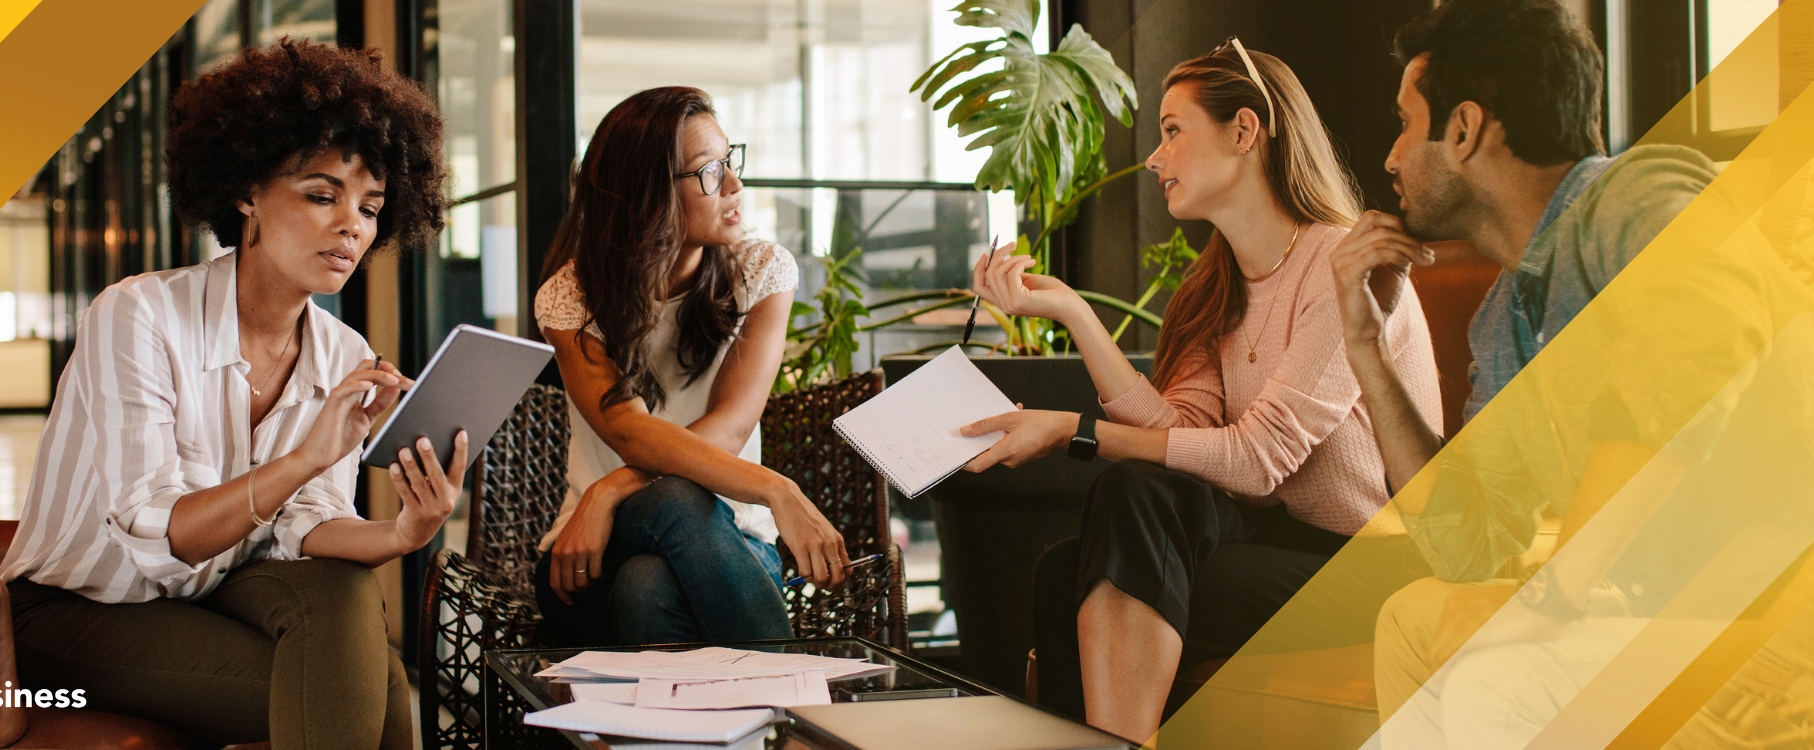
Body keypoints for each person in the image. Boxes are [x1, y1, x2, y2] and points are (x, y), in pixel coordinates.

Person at [960, 41, 1440, 742]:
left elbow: (1256, 460)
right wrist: (1072, 312)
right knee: (1093, 540)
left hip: (1373, 564)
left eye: (1172, 130)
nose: (1155, 157)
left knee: (1092, 563)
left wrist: (1075, 431)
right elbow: (1178, 435)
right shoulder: (1214, 287)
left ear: (1244, 131)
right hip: (1277, 540)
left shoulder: (1340, 266)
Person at [0, 40, 456, 750]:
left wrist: (404, 533)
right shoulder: (138, 315)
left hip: (217, 589)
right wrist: (305, 456)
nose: (350, 227)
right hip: (78, 609)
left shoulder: (346, 355)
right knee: (375, 689)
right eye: (320, 194)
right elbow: (161, 532)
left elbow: (309, 528)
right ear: (247, 191)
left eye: (370, 207)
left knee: (342, 590)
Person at [1324, 0, 1723, 744]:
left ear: (1466, 130)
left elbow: (1695, 332)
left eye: (1406, 124)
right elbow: (1467, 546)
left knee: (1490, 680)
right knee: (1412, 617)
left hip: (1800, 589)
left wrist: (1550, 599)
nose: (1389, 158)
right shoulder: (1505, 319)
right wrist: (1365, 352)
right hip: (1652, 608)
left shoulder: (1628, 196)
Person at [530, 86, 852, 647]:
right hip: (591, 551)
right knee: (672, 506)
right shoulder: (571, 297)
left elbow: (730, 427)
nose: (734, 186)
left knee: (646, 585)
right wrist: (779, 490)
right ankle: (795, 701)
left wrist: (609, 488)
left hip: (733, 542)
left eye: (730, 162)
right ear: (645, 194)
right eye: (709, 172)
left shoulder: (761, 272)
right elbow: (629, 431)